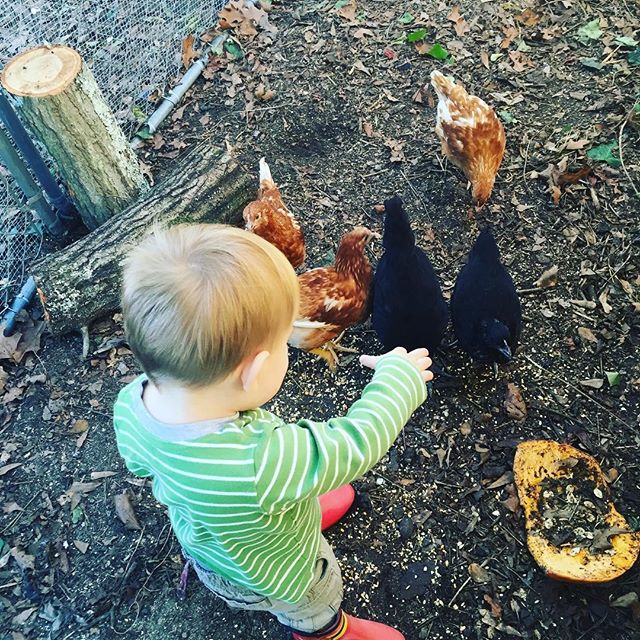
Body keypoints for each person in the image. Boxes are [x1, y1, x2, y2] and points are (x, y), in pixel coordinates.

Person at [113, 224, 432, 640]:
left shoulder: (131, 406)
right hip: (280, 575)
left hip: (210, 549)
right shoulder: (261, 462)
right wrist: (398, 381)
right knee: (313, 604)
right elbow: (356, 442)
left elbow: (142, 465)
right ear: (255, 371)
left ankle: (286, 509)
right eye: (284, 343)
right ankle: (326, 632)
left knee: (269, 498)